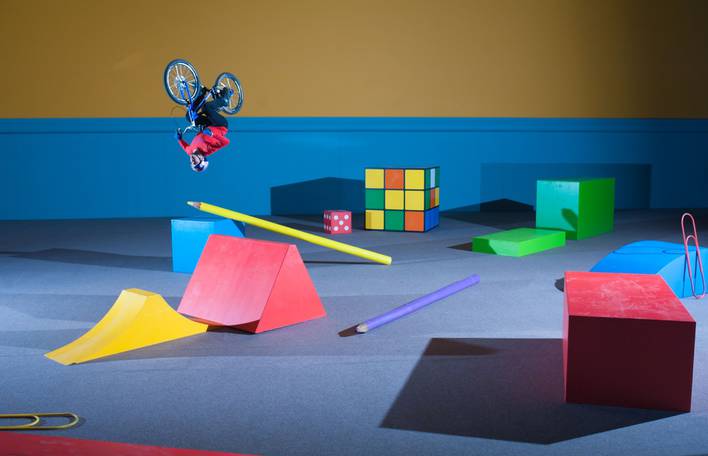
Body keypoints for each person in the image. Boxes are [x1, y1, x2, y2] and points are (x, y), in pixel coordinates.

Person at [175, 86, 233, 172]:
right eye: (195, 162)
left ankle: (203, 94)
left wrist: (179, 139)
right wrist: (212, 134)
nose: (192, 161)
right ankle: (224, 100)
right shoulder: (208, 150)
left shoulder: (190, 151)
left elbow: (185, 147)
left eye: (191, 163)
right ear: (201, 159)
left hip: (206, 125)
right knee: (206, 108)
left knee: (189, 117)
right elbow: (226, 142)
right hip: (220, 125)